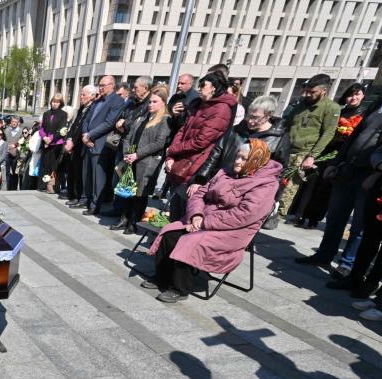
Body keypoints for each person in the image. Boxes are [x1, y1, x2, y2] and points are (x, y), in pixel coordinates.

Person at [295, 62, 382, 269]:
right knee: (335, 216)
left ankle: (347, 264)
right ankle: (324, 254)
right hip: (349, 168)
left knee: (359, 225)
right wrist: (337, 162)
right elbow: (356, 133)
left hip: (373, 172)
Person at [144, 139, 281, 302]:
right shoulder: (225, 171)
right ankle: (163, 277)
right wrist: (196, 215)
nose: (237, 161)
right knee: (170, 234)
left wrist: (204, 222)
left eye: (244, 159)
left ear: (255, 160)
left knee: (189, 241)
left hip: (232, 231)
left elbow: (243, 215)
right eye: (237, 156)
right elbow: (200, 193)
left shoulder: (266, 184)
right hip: (202, 219)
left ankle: (180, 288)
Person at [330, 120, 382, 299]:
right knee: (370, 235)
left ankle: (372, 283)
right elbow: (379, 151)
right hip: (380, 185)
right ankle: (355, 276)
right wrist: (380, 164)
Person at [163, 71, 237, 221]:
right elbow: (183, 130)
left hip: (196, 164)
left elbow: (201, 141)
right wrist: (171, 154)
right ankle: (169, 240)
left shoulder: (221, 109)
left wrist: (173, 149)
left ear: (214, 88)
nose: (200, 88)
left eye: (204, 85)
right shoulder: (199, 104)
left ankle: (179, 242)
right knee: (174, 209)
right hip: (181, 161)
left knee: (185, 212)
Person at [294, 83, 367, 230]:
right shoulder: (338, 110)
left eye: (357, 95)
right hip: (327, 149)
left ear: (363, 96)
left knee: (325, 187)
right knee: (312, 183)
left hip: (341, 153)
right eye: (350, 95)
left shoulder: (363, 113)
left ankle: (314, 218)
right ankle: (302, 214)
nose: (353, 98)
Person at [274, 74, 341, 228]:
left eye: (313, 92)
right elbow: (286, 123)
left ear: (323, 91)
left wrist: (311, 156)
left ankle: (278, 215)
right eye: (307, 91)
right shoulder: (300, 104)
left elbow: (328, 133)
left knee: (289, 188)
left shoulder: (331, 108)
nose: (308, 94)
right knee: (276, 183)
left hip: (304, 152)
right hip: (287, 149)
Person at [114, 85, 171, 234]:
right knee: (128, 190)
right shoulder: (143, 118)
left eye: (155, 102)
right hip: (131, 159)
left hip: (146, 162)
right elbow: (128, 136)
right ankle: (124, 219)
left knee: (140, 194)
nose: (151, 104)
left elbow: (159, 143)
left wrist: (137, 154)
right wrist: (127, 152)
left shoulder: (165, 120)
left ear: (163, 102)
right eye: (150, 101)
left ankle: (134, 222)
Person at [80, 75, 126, 214]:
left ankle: (96, 204)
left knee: (98, 177)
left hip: (100, 144)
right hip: (88, 142)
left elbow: (109, 123)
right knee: (87, 175)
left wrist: (90, 135)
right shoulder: (97, 100)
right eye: (99, 85)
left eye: (103, 85)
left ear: (112, 85)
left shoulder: (117, 101)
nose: (100, 87)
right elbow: (87, 119)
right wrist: (84, 134)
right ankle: (87, 200)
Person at [38, 93, 68, 192]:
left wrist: (50, 139)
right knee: (45, 165)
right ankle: (43, 185)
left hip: (56, 144)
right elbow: (41, 129)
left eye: (57, 102)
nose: (55, 104)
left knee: (54, 166)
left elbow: (62, 130)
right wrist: (44, 137)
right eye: (53, 102)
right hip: (46, 144)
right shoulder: (46, 113)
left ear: (60, 103)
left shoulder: (63, 114)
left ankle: (53, 187)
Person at [4, 116, 24, 190]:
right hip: (7, 154)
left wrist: (15, 145)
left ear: (18, 123)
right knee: (7, 173)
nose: (14, 123)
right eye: (13, 121)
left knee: (15, 173)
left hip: (16, 155)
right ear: (11, 122)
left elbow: (23, 142)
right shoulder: (6, 130)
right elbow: (4, 141)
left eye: (15, 122)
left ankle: (14, 189)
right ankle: (7, 187)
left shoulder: (21, 132)